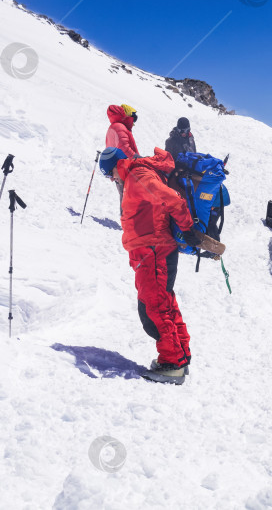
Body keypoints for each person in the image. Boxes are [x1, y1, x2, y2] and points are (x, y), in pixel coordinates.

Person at [99, 146, 200, 381]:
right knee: (164, 303)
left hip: (153, 251)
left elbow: (173, 200)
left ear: (115, 166)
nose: (111, 179)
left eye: (109, 174)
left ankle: (172, 363)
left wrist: (187, 228)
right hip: (152, 250)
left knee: (155, 307)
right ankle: (179, 357)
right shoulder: (139, 173)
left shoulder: (137, 176)